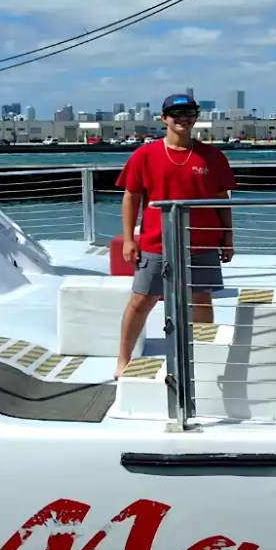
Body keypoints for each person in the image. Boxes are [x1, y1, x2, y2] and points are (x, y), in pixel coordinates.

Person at [113, 93, 236, 377]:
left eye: (189, 112)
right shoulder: (144, 155)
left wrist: (228, 237)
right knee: (142, 300)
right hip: (156, 242)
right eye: (176, 113)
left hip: (202, 241)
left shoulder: (213, 157)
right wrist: (129, 239)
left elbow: (222, 199)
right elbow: (131, 196)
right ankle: (123, 359)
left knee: (201, 301)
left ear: (197, 117)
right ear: (164, 118)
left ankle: (201, 361)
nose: (183, 118)